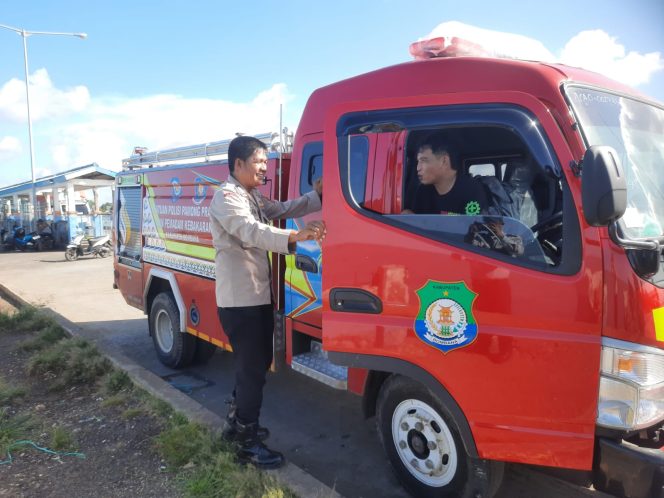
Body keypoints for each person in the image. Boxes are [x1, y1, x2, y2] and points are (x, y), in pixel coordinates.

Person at [209, 135, 325, 469]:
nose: (264, 167)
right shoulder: (226, 198)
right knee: (252, 371)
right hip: (239, 302)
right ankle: (247, 443)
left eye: (264, 161)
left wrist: (317, 195)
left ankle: (237, 426)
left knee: (255, 368)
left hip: (256, 297)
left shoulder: (252, 196)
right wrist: (295, 236)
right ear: (239, 164)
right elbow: (251, 231)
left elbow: (284, 209)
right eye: (259, 162)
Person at [403, 133, 488, 215]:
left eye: (424, 160)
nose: (418, 168)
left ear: (444, 161)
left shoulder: (472, 190)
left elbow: (473, 226)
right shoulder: (423, 191)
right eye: (418, 162)